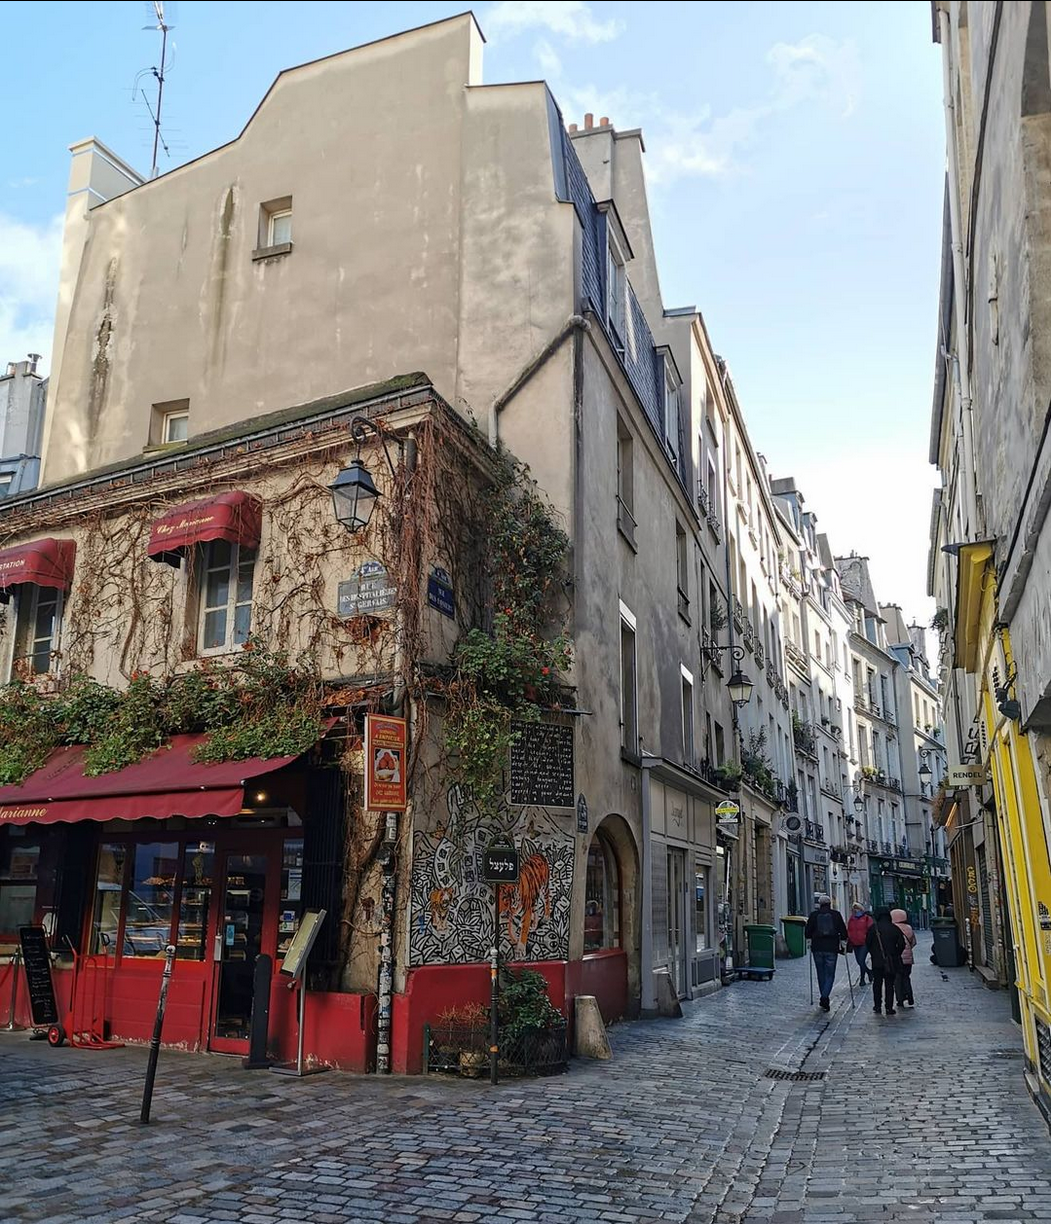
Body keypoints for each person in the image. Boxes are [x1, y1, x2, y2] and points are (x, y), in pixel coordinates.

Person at [804, 893, 848, 1011]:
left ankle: (824, 996)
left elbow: (807, 932)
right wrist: (843, 943)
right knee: (830, 974)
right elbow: (843, 931)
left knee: (820, 973)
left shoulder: (814, 915)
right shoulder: (836, 915)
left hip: (817, 948)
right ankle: (825, 996)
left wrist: (809, 941)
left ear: (820, 904)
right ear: (829, 904)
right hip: (831, 948)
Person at [866, 907, 906, 1015]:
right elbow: (902, 944)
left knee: (877, 984)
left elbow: (867, 943)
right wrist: (895, 953)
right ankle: (889, 1007)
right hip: (891, 961)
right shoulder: (894, 928)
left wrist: (874, 953)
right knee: (889, 984)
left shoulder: (873, 928)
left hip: (877, 962)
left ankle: (877, 1006)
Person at [891, 907, 917, 1007]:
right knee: (906, 977)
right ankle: (910, 996)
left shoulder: (892, 928)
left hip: (897, 958)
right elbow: (913, 942)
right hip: (908, 959)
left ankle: (900, 999)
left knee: (897, 979)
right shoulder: (909, 928)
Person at [847, 902, 874, 984]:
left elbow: (871, 930)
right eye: (854, 909)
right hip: (854, 943)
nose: (855, 910)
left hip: (864, 943)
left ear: (861, 909)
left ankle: (862, 979)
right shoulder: (851, 919)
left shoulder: (866, 918)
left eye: (857, 909)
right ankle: (869, 972)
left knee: (861, 961)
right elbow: (848, 929)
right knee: (859, 962)